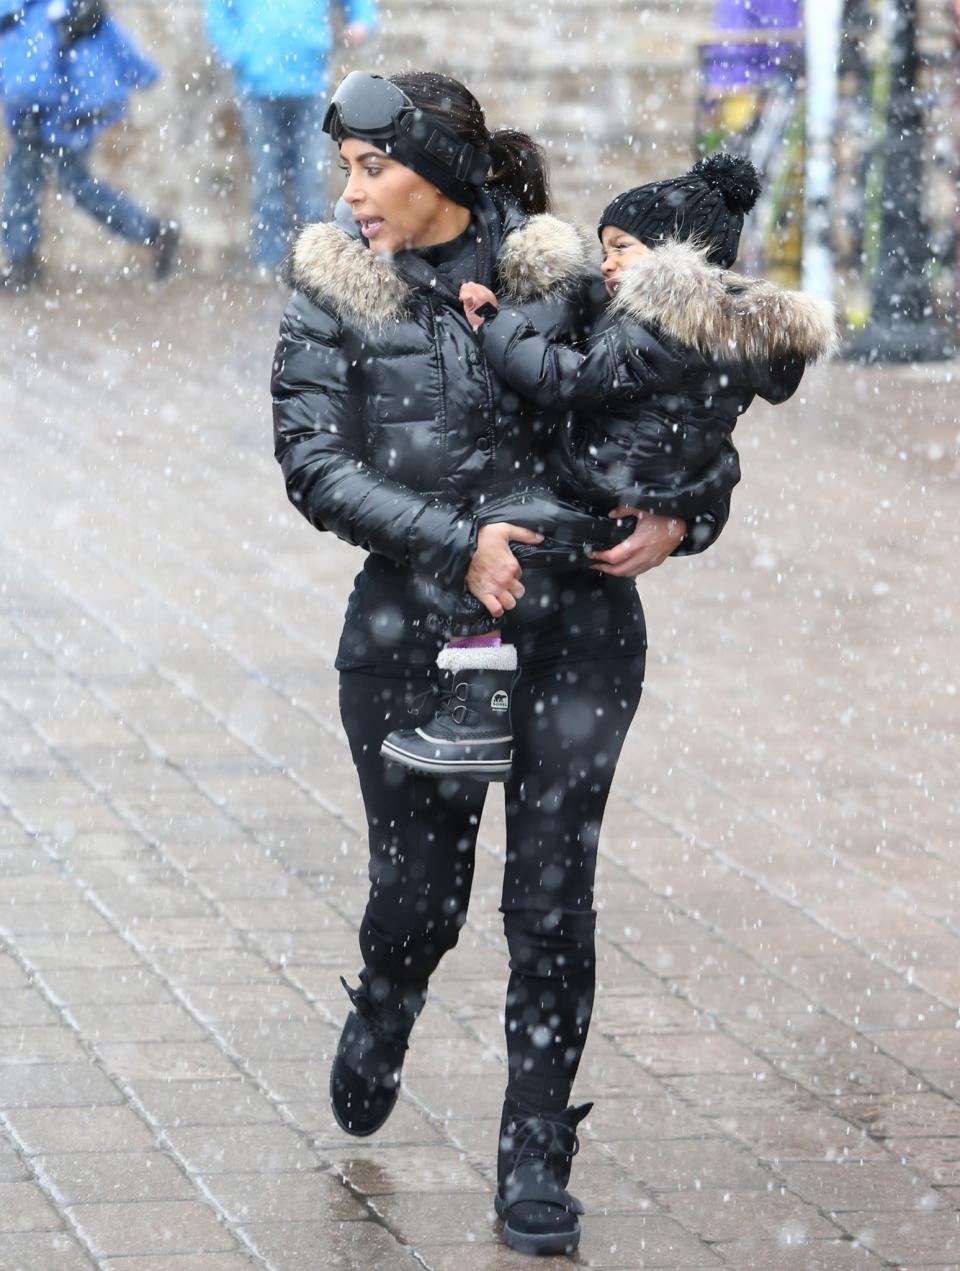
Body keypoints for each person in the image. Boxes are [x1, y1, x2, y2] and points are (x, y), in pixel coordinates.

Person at [272, 70, 730, 1258]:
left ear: (440, 165)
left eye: (374, 167)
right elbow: (313, 463)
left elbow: (685, 409)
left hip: (574, 626)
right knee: (419, 901)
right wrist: (451, 539)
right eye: (348, 169)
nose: (352, 192)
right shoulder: (332, 291)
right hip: (407, 636)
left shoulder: (563, 273)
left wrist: (687, 512)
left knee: (548, 898)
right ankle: (386, 1000)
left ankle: (535, 1154)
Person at [380, 153, 839, 780]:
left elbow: (560, 379)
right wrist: (682, 502)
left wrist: (495, 323)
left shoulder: (652, 326)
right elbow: (708, 444)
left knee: (490, 534)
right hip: (638, 493)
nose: (607, 264)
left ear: (677, 258)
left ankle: (477, 707)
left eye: (622, 247)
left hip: (596, 486)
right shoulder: (728, 333)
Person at [0, 0, 179, 291]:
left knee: (40, 182)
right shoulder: (51, 9)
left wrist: (29, 106)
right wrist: (142, 75)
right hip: (60, 109)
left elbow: (31, 65)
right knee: (55, 182)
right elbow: (114, 42)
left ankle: (23, 263)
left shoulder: (31, 11)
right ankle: (152, 232)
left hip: (55, 112)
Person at [205, 0, 376, 274]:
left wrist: (361, 22)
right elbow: (218, 13)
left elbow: (359, 5)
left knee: (310, 180)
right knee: (267, 181)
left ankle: (311, 266)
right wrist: (241, 53)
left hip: (309, 84)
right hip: (258, 86)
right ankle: (267, 265)